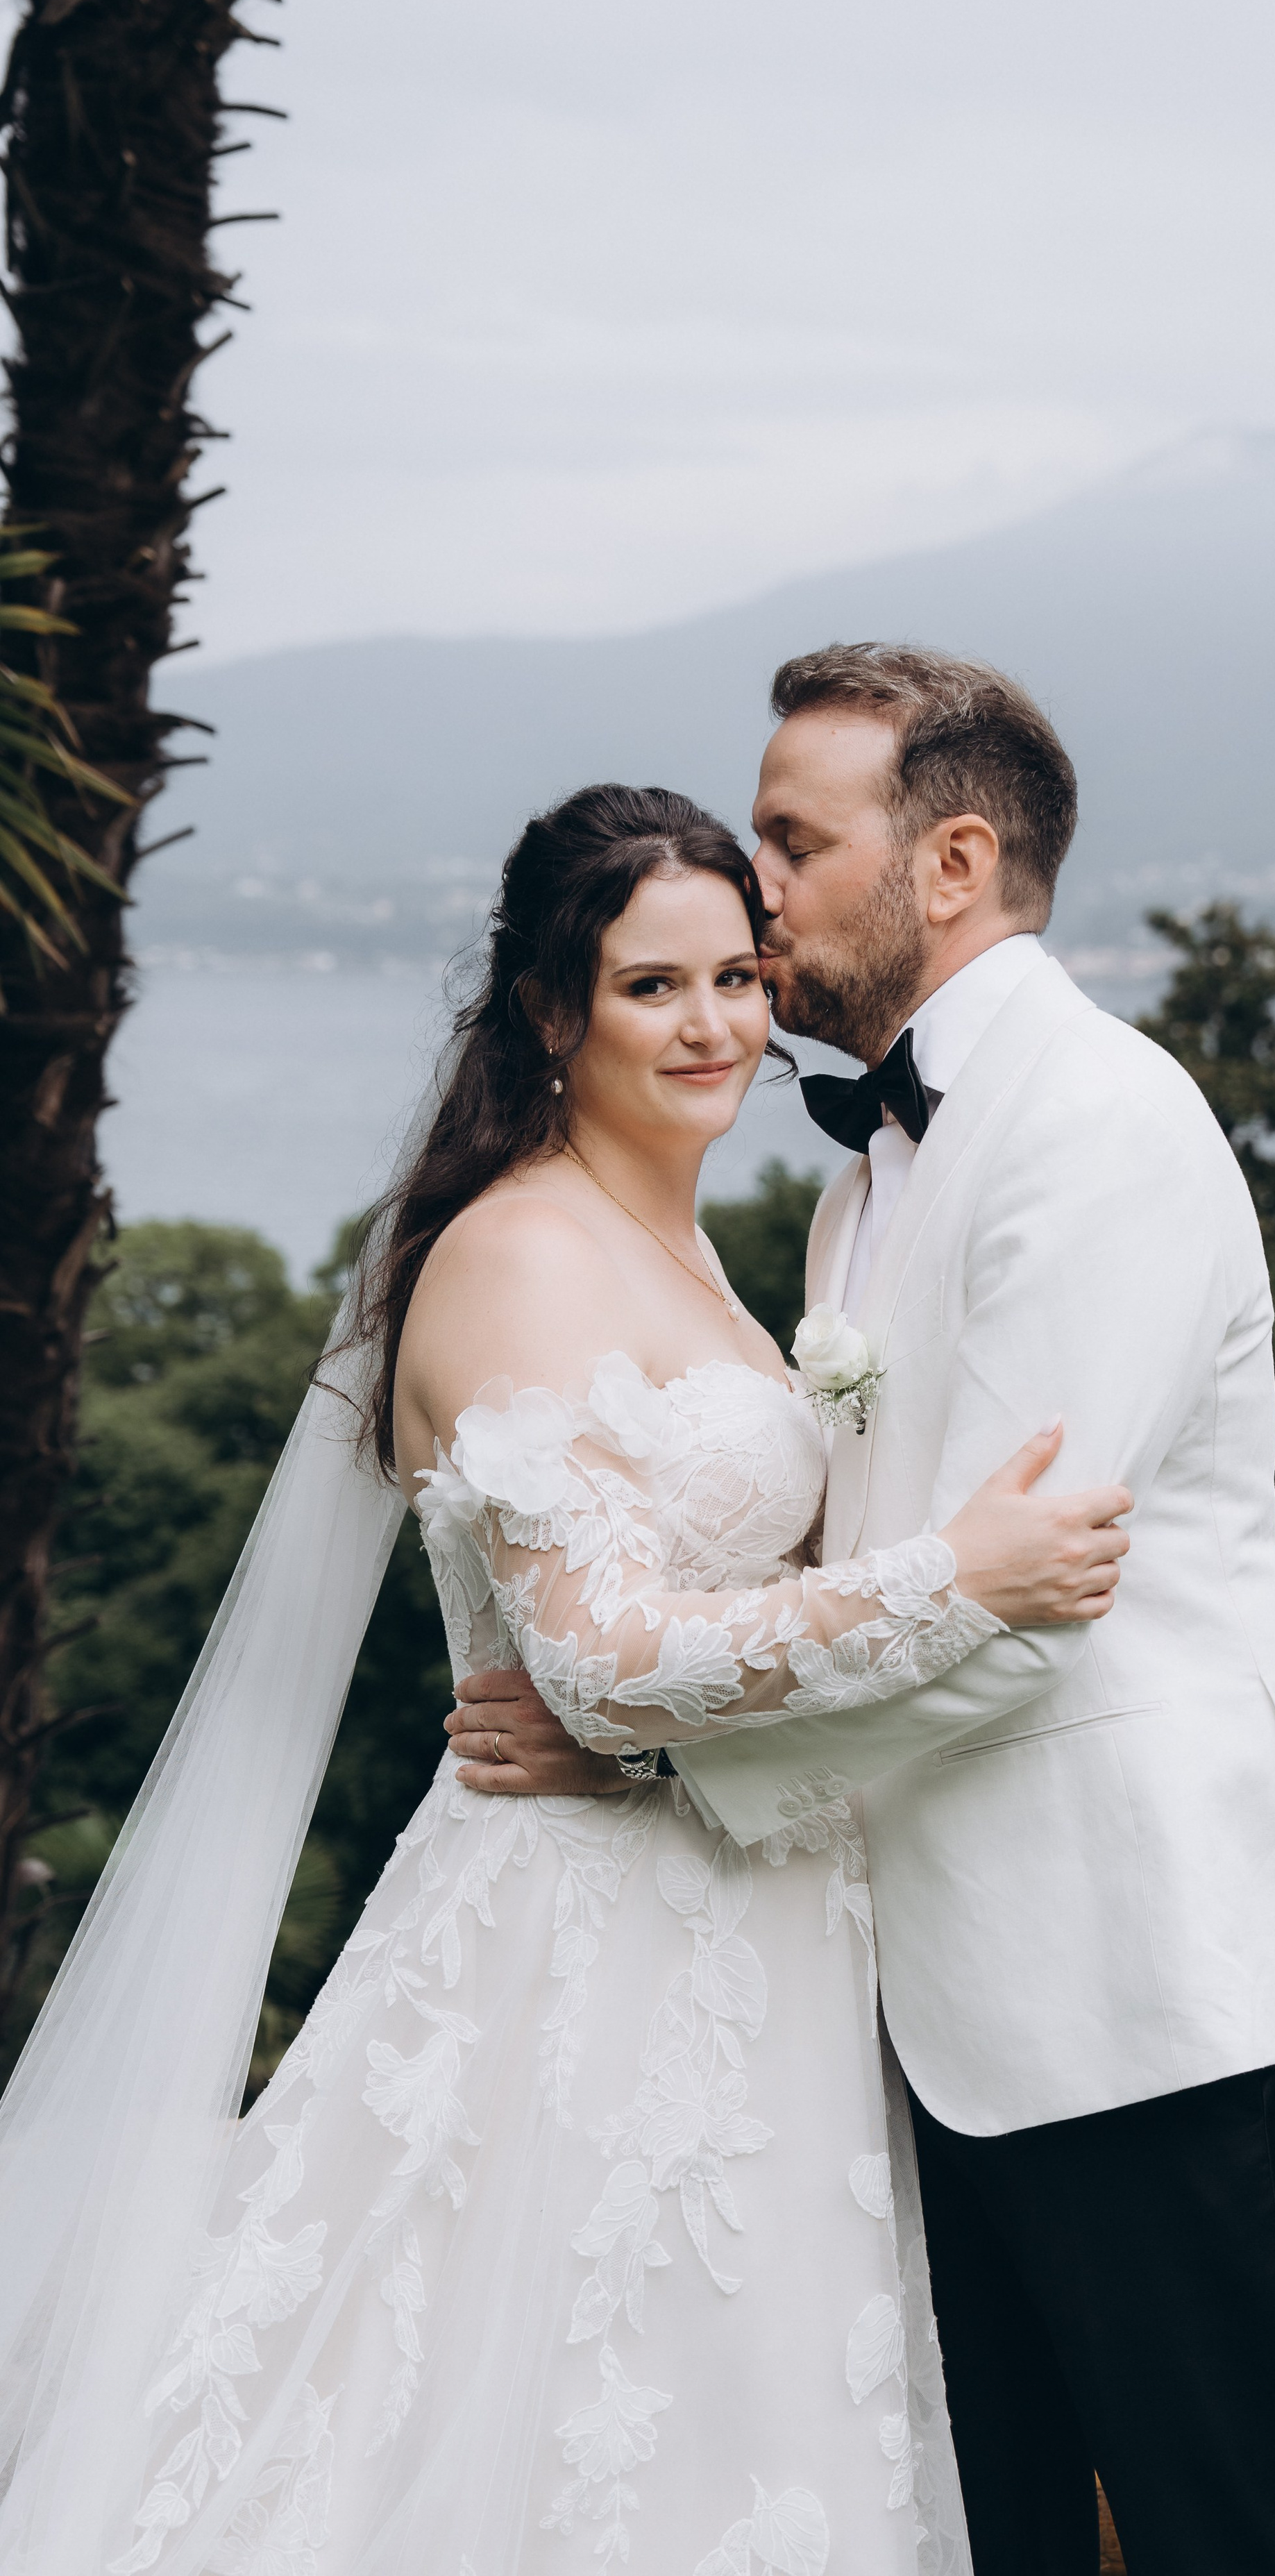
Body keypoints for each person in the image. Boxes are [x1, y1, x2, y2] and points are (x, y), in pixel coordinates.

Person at [0, 783, 1129, 2575]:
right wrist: (957, 1579)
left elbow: (666, 1658)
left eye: (739, 981)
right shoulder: (516, 1254)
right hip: (576, 1975)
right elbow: (599, 1663)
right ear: (549, 1011)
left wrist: (696, 1735)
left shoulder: (691, 1251)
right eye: (649, 988)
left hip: (749, 1955)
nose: (713, 1029)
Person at [454, 649, 1275, 2576]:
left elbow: (1026, 1606)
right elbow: (868, 1569)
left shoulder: (1098, 1125)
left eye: (794, 838)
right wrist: (652, 1694)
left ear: (949, 862)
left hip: (1135, 1995)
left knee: (1229, 2541)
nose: (754, 884)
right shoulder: (858, 1190)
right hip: (917, 2012)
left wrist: (655, 1758)